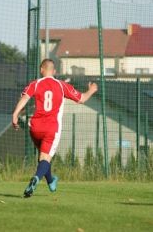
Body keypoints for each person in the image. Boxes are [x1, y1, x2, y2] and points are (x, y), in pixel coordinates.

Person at [12, 59, 98, 198]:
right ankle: (36, 179)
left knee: (43, 158)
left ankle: (51, 182)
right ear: (54, 71)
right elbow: (82, 99)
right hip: (51, 128)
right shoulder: (61, 85)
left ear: (41, 70)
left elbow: (25, 97)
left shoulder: (35, 83)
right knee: (45, 159)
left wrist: (15, 114)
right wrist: (91, 90)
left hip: (35, 127)